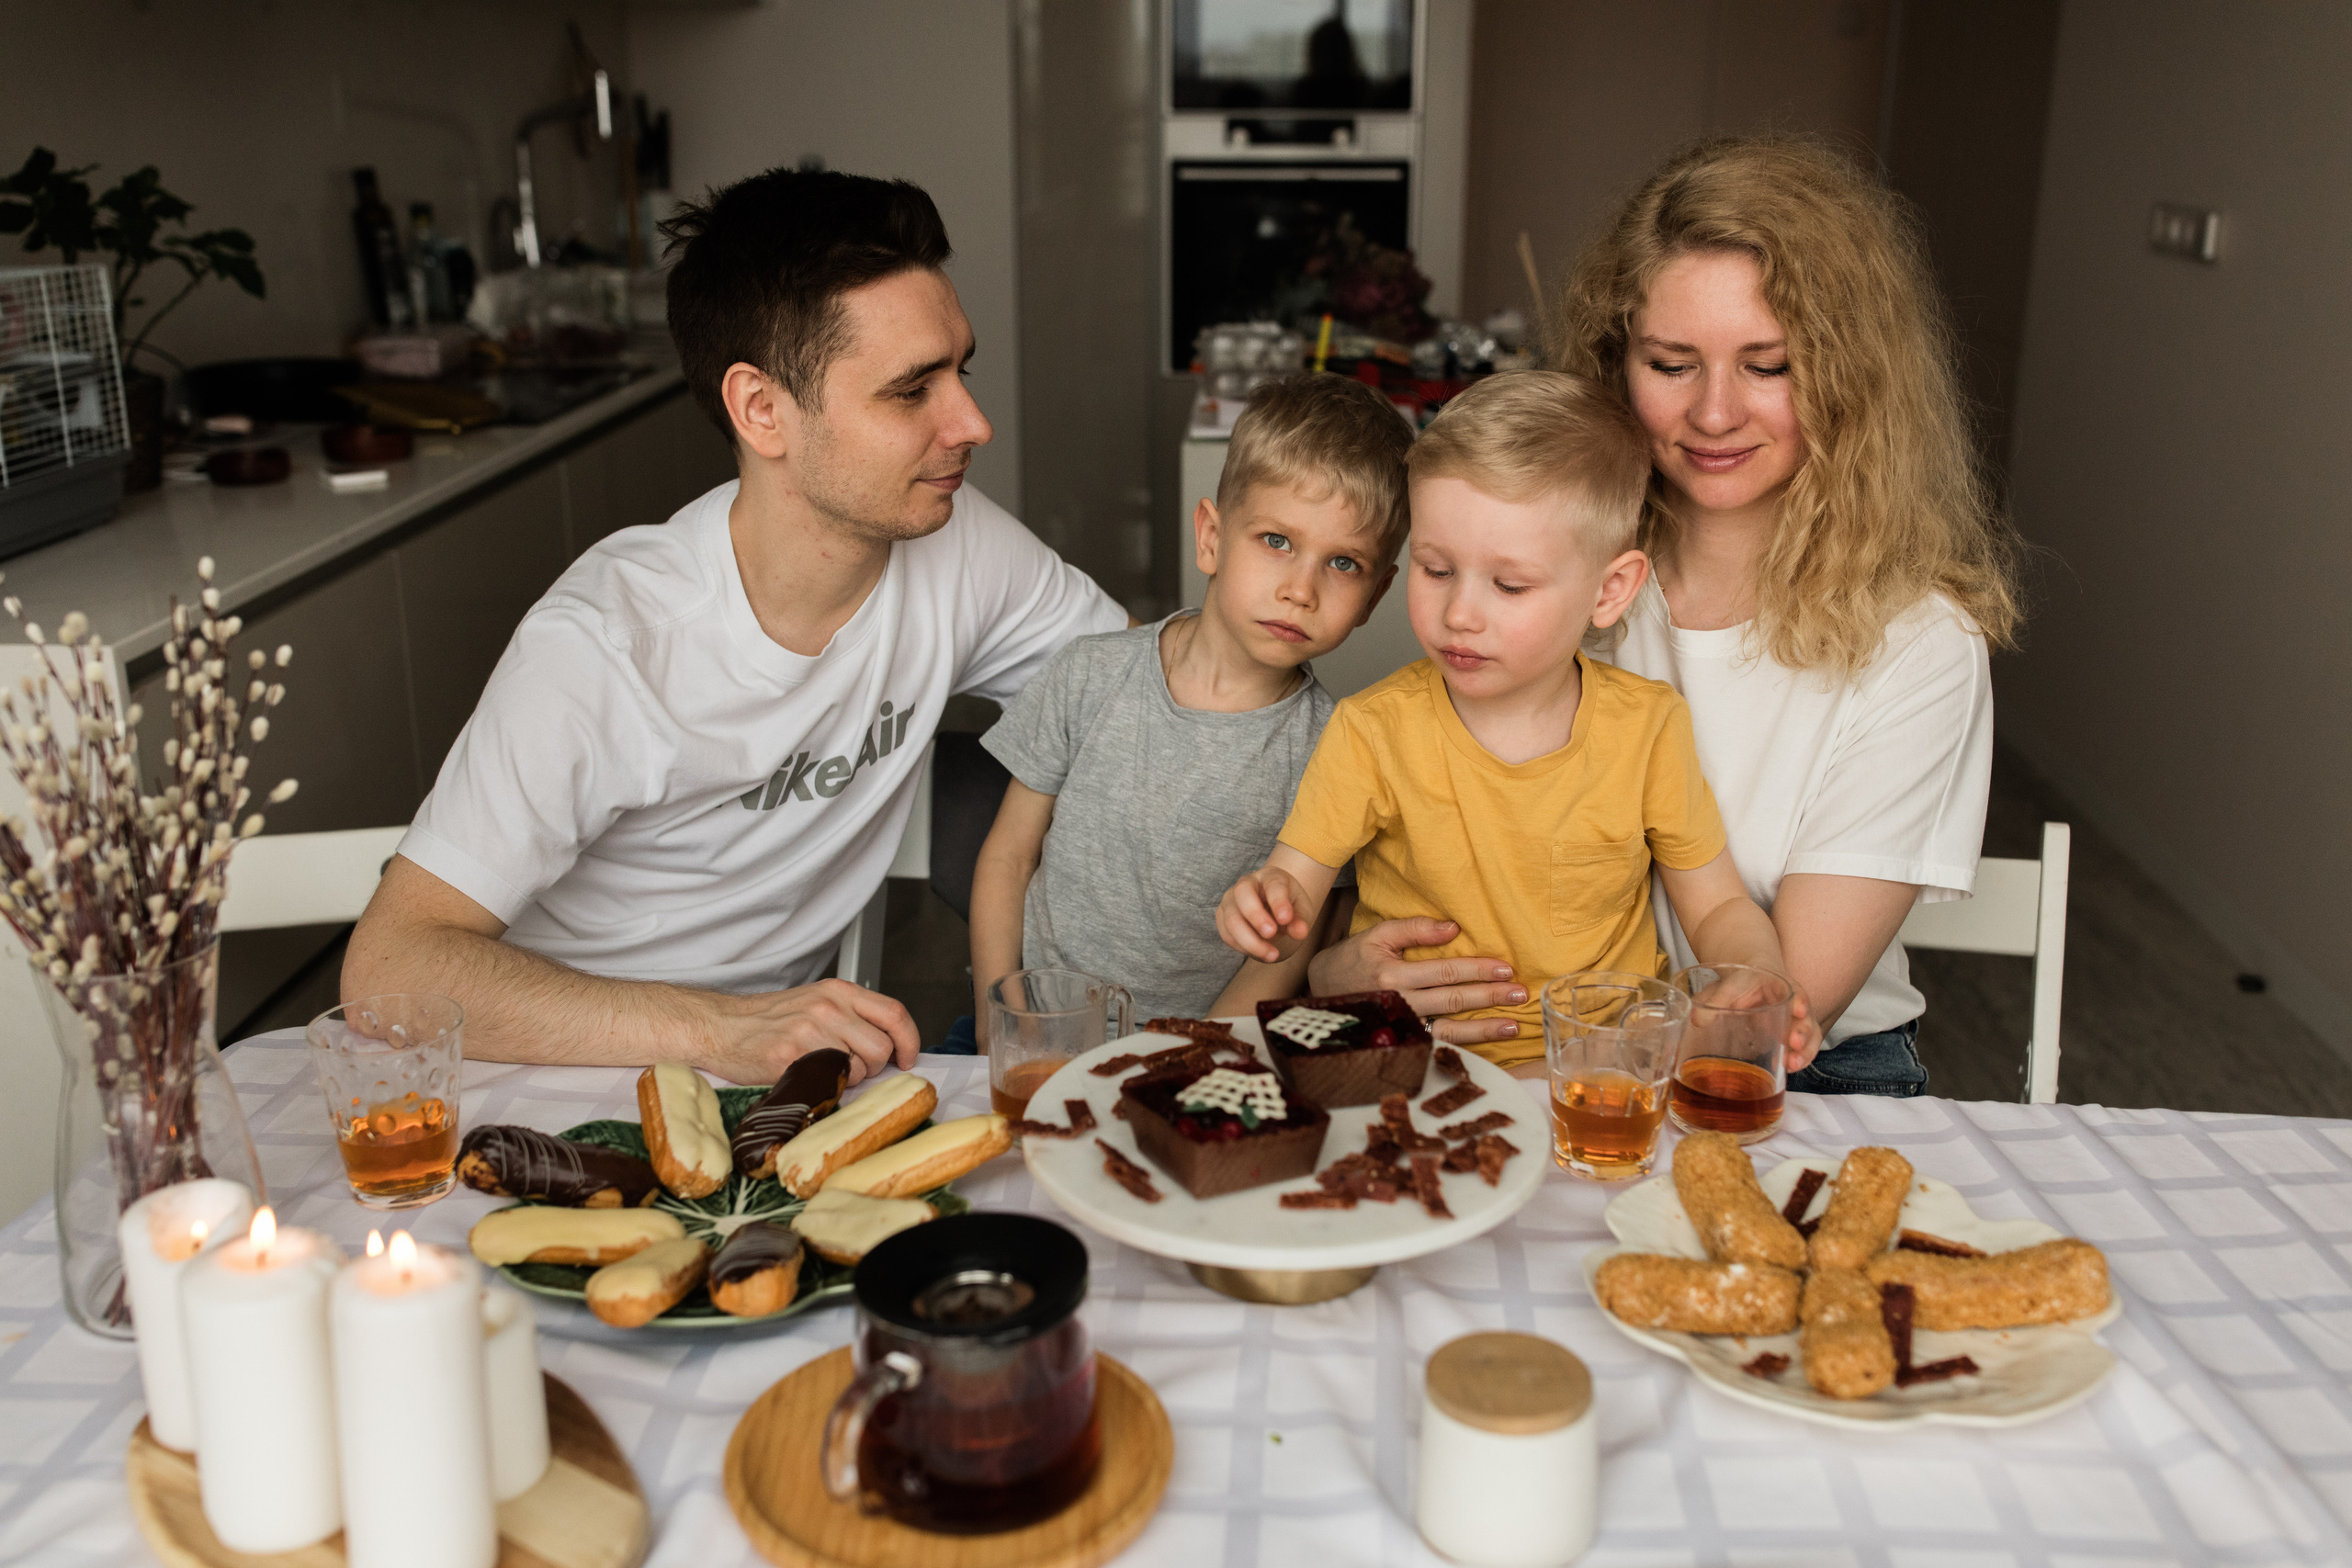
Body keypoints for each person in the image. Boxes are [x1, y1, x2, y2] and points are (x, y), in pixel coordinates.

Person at [342, 169, 1126, 1084]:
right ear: (762, 410)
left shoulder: (959, 543)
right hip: (551, 1070)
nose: (973, 422)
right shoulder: (608, 641)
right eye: (912, 391)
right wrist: (721, 1031)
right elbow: (390, 969)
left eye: (962, 370)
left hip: (773, 1077)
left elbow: (1151, 695)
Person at [1311, 136, 2018, 1096]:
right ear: (1616, 361)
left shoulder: (1919, 642)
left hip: (1795, 1072)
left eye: (1767, 365)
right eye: (1671, 362)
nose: (1714, 413)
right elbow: (1399, 816)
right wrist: (1342, 977)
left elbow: (1773, 1006)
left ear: (1850, 377)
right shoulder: (1535, 569)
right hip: (1511, 1056)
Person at [1216, 371, 1819, 1070]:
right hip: (1419, 1070)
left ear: (1610, 590)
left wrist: (1753, 971)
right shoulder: (1371, 730)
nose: (1460, 613)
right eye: (1436, 569)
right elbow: (1296, 889)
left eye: (1509, 584)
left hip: (1603, 1078)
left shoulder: (1648, 727)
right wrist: (1268, 906)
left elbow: (1716, 907)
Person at [968, 374, 1409, 1032]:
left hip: (1197, 1054)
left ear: (1375, 596)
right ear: (1210, 537)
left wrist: (1193, 1057)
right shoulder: (1088, 673)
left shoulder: (1340, 746)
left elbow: (1287, 951)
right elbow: (1008, 857)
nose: (1301, 589)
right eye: (1277, 541)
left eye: (1343, 563)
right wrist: (995, 1018)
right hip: (1034, 1030)